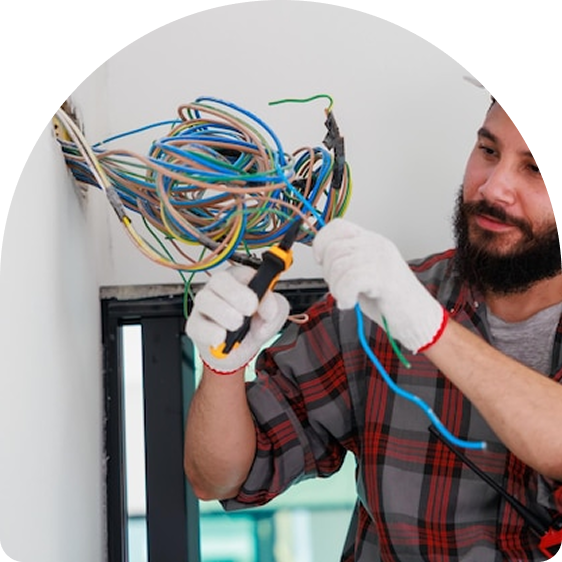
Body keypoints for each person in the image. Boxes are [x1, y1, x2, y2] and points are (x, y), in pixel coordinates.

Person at [183, 97, 562, 561]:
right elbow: (218, 479)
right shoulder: (377, 305)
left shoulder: (404, 304)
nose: (494, 186)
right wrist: (221, 367)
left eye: (534, 169)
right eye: (488, 150)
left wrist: (429, 328)